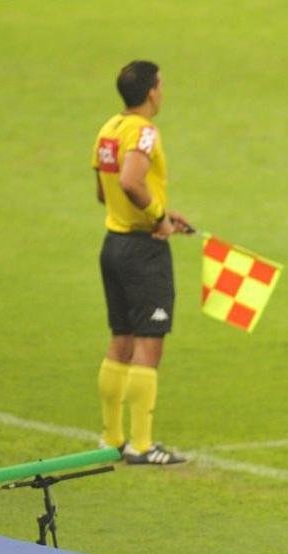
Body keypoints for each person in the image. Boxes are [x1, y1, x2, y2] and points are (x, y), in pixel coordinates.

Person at [91, 60, 192, 465]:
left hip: (114, 243)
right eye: (161, 85)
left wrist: (164, 212)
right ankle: (142, 445)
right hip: (142, 252)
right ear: (152, 91)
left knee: (121, 341)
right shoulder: (144, 132)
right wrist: (157, 218)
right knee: (148, 346)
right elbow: (132, 181)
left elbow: (105, 192)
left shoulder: (108, 129)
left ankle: (112, 437)